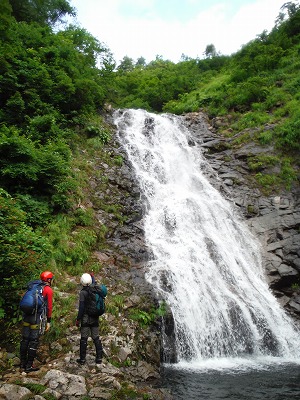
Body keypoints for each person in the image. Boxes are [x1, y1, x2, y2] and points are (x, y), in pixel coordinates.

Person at [20, 271, 54, 372]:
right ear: (49, 280)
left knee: (25, 339)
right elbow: (49, 307)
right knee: (34, 340)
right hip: (36, 317)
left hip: (26, 316)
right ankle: (29, 365)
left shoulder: (33, 286)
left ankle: (22, 363)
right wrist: (48, 321)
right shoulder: (48, 290)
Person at [75, 273, 103, 365]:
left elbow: (81, 308)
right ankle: (99, 358)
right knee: (96, 337)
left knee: (84, 338)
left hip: (86, 318)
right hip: (95, 317)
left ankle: (82, 359)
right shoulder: (95, 290)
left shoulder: (83, 292)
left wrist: (78, 319)